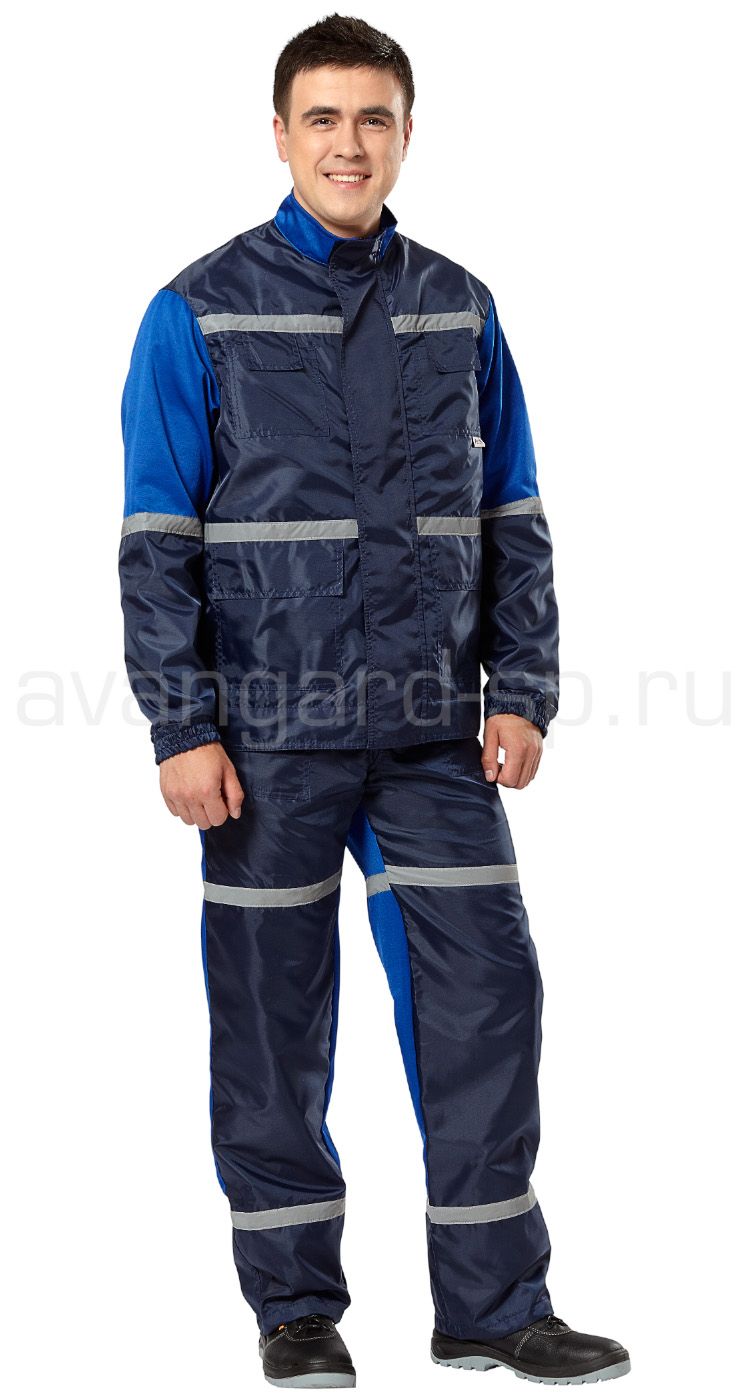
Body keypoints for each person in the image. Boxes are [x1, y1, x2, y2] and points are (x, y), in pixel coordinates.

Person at [118, 12, 630, 1390]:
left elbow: (511, 512)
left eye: (374, 118)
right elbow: (156, 539)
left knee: (486, 1006)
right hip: (266, 743)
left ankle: (493, 1308)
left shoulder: (460, 305)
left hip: (431, 738)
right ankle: (296, 1311)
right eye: (324, 118)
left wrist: (522, 690)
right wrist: (182, 726)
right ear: (280, 136)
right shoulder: (196, 308)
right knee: (272, 1027)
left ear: (408, 133)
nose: (349, 143)